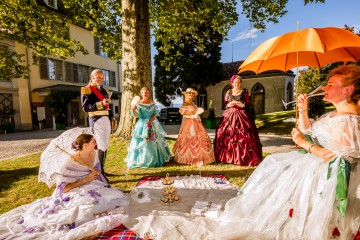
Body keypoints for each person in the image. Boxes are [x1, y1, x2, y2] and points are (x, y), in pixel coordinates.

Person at [213, 65, 360, 239]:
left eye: (330, 84)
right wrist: (303, 109)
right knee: (274, 163)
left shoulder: (349, 119)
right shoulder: (335, 114)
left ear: (347, 89)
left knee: (277, 168)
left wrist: (305, 144)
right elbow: (309, 130)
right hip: (318, 164)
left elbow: (339, 157)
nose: (323, 88)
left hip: (330, 175)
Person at [0, 133, 129, 240]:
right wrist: (86, 179)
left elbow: (96, 171)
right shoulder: (69, 163)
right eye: (93, 142)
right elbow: (64, 188)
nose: (96, 144)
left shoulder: (94, 154)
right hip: (75, 189)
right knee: (88, 205)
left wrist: (96, 174)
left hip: (92, 184)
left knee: (110, 198)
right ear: (85, 145)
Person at [214, 75, 262, 166]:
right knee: (223, 132)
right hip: (229, 115)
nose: (237, 84)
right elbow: (225, 104)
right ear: (232, 83)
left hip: (241, 115)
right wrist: (230, 104)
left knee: (244, 135)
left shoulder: (244, 92)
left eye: (239, 82)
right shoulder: (229, 92)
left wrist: (242, 105)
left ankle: (243, 158)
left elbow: (248, 104)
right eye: (235, 82)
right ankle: (227, 157)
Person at [125, 87, 171, 168]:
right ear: (141, 94)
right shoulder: (138, 103)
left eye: (147, 92)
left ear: (149, 94)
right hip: (142, 124)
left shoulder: (152, 101)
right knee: (143, 140)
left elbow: (156, 112)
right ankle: (144, 160)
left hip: (153, 123)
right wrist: (133, 110)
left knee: (155, 139)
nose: (146, 94)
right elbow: (136, 116)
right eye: (144, 92)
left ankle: (156, 158)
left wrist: (154, 115)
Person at [81, 69, 115, 182]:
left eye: (102, 77)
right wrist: (101, 103)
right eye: (98, 77)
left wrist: (112, 117)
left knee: (106, 145)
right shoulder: (86, 90)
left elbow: (109, 105)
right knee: (101, 145)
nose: (101, 79)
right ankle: (99, 173)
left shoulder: (105, 91)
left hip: (105, 119)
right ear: (92, 77)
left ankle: (102, 170)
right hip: (96, 119)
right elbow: (85, 107)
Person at [173, 88, 215, 165]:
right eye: (189, 93)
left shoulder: (192, 103)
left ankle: (200, 157)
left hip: (196, 122)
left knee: (199, 138)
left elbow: (195, 111)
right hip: (189, 123)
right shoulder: (185, 103)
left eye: (192, 93)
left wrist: (196, 115)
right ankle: (189, 158)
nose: (191, 95)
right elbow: (184, 114)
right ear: (186, 94)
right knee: (190, 138)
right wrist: (193, 116)